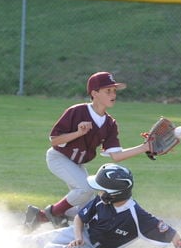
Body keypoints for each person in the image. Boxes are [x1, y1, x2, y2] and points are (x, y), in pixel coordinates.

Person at [24, 71, 152, 231]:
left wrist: (144, 147)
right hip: (58, 158)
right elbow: (55, 140)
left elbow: (116, 156)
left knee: (88, 209)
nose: (113, 94)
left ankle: (41, 216)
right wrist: (78, 133)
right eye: (108, 91)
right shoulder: (77, 111)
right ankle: (51, 214)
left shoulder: (110, 123)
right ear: (94, 93)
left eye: (114, 91)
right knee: (85, 189)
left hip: (77, 164)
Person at [25, 163, 181, 248]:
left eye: (103, 189)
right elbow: (80, 218)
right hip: (80, 235)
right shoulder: (101, 200)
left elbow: (172, 235)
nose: (99, 191)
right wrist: (79, 237)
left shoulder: (137, 216)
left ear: (115, 193)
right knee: (31, 240)